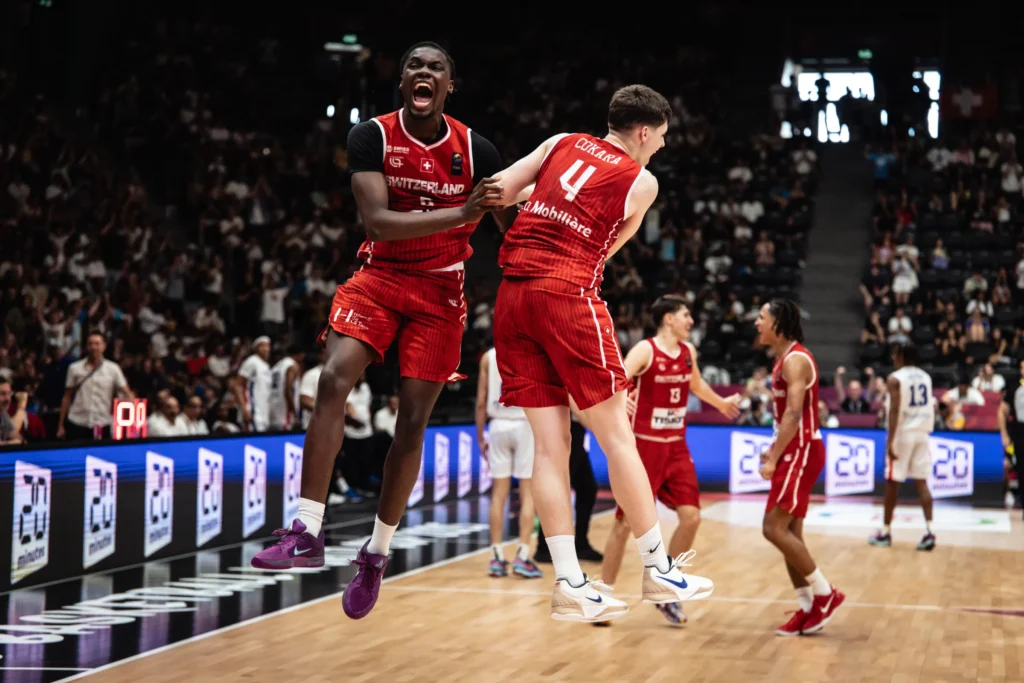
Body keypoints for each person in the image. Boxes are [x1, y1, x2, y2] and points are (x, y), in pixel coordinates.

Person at [252, 41, 507, 623]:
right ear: (402, 82)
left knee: (411, 421)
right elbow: (379, 223)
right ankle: (307, 529)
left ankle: (375, 554)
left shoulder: (477, 149)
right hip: (381, 275)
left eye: (435, 66)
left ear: (450, 84)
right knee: (332, 379)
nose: (423, 72)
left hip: (442, 291)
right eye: (414, 65)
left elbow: (508, 222)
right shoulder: (371, 136)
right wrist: (462, 215)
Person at [488, 84, 714, 623]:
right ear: (643, 131)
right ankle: (658, 570)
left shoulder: (560, 141)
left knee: (550, 448)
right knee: (616, 434)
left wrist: (527, 234)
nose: (659, 147)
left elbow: (495, 192)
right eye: (660, 137)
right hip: (566, 293)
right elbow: (604, 249)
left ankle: (568, 582)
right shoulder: (642, 180)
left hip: (512, 295)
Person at [596, 295, 740, 626]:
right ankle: (602, 594)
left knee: (691, 517)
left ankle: (663, 585)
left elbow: (697, 384)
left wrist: (719, 404)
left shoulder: (688, 353)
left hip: (676, 446)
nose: (691, 321)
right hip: (643, 448)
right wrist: (620, 401)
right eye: (685, 315)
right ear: (668, 319)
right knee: (624, 524)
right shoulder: (646, 350)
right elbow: (618, 376)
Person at [755, 299, 844, 636]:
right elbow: (787, 419)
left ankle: (825, 594)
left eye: (761, 317)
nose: (756, 323)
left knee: (773, 528)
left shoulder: (795, 361)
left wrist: (776, 457)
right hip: (795, 448)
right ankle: (808, 607)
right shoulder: (783, 359)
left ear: (778, 323)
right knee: (790, 533)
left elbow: (794, 415)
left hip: (802, 451)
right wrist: (773, 449)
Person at [476, 347, 543, 579]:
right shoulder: (531, 352)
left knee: (498, 495)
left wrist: (480, 436)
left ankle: (496, 557)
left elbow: (481, 400)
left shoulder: (488, 356)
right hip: (524, 424)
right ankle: (523, 556)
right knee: (528, 494)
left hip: (498, 426)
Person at [869, 343, 936, 550]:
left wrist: (890, 441)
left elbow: (895, 409)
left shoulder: (895, 378)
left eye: (894, 353)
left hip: (903, 433)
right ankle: (930, 531)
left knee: (892, 483)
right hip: (923, 432)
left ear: (900, 355)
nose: (892, 356)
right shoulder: (926, 377)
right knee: (921, 482)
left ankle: (886, 532)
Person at [533, 412, 602, 563]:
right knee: (559, 489)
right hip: (565, 426)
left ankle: (580, 544)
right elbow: (573, 400)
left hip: (576, 429)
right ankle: (545, 547)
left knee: (587, 489)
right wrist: (596, 427)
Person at [235, 336, 272, 432]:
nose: (265, 348)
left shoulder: (266, 365)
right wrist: (244, 409)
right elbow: (238, 385)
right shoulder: (252, 361)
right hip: (252, 411)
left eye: (267, 346)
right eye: (262, 346)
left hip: (263, 412)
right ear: (256, 348)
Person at [269, 345, 305, 431]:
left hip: (272, 411)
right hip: (285, 413)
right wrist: (295, 414)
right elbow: (288, 390)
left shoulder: (276, 366)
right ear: (300, 355)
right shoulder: (292, 366)